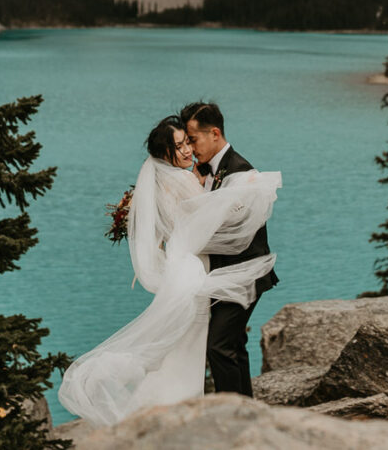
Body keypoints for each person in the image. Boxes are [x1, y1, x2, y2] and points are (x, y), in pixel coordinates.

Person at [57, 114, 280, 426]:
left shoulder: (166, 183)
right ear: (165, 155)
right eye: (180, 145)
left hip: (184, 268)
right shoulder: (187, 180)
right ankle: (203, 418)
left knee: (189, 344)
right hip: (194, 270)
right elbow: (213, 220)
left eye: (188, 141)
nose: (188, 149)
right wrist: (250, 194)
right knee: (200, 344)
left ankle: (181, 414)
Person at [181, 101, 279, 397]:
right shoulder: (207, 171)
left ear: (214, 133)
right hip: (226, 276)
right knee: (233, 345)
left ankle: (230, 415)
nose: (190, 147)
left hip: (246, 274)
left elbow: (234, 235)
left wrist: (181, 241)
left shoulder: (242, 174)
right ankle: (246, 413)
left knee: (218, 346)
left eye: (193, 140)